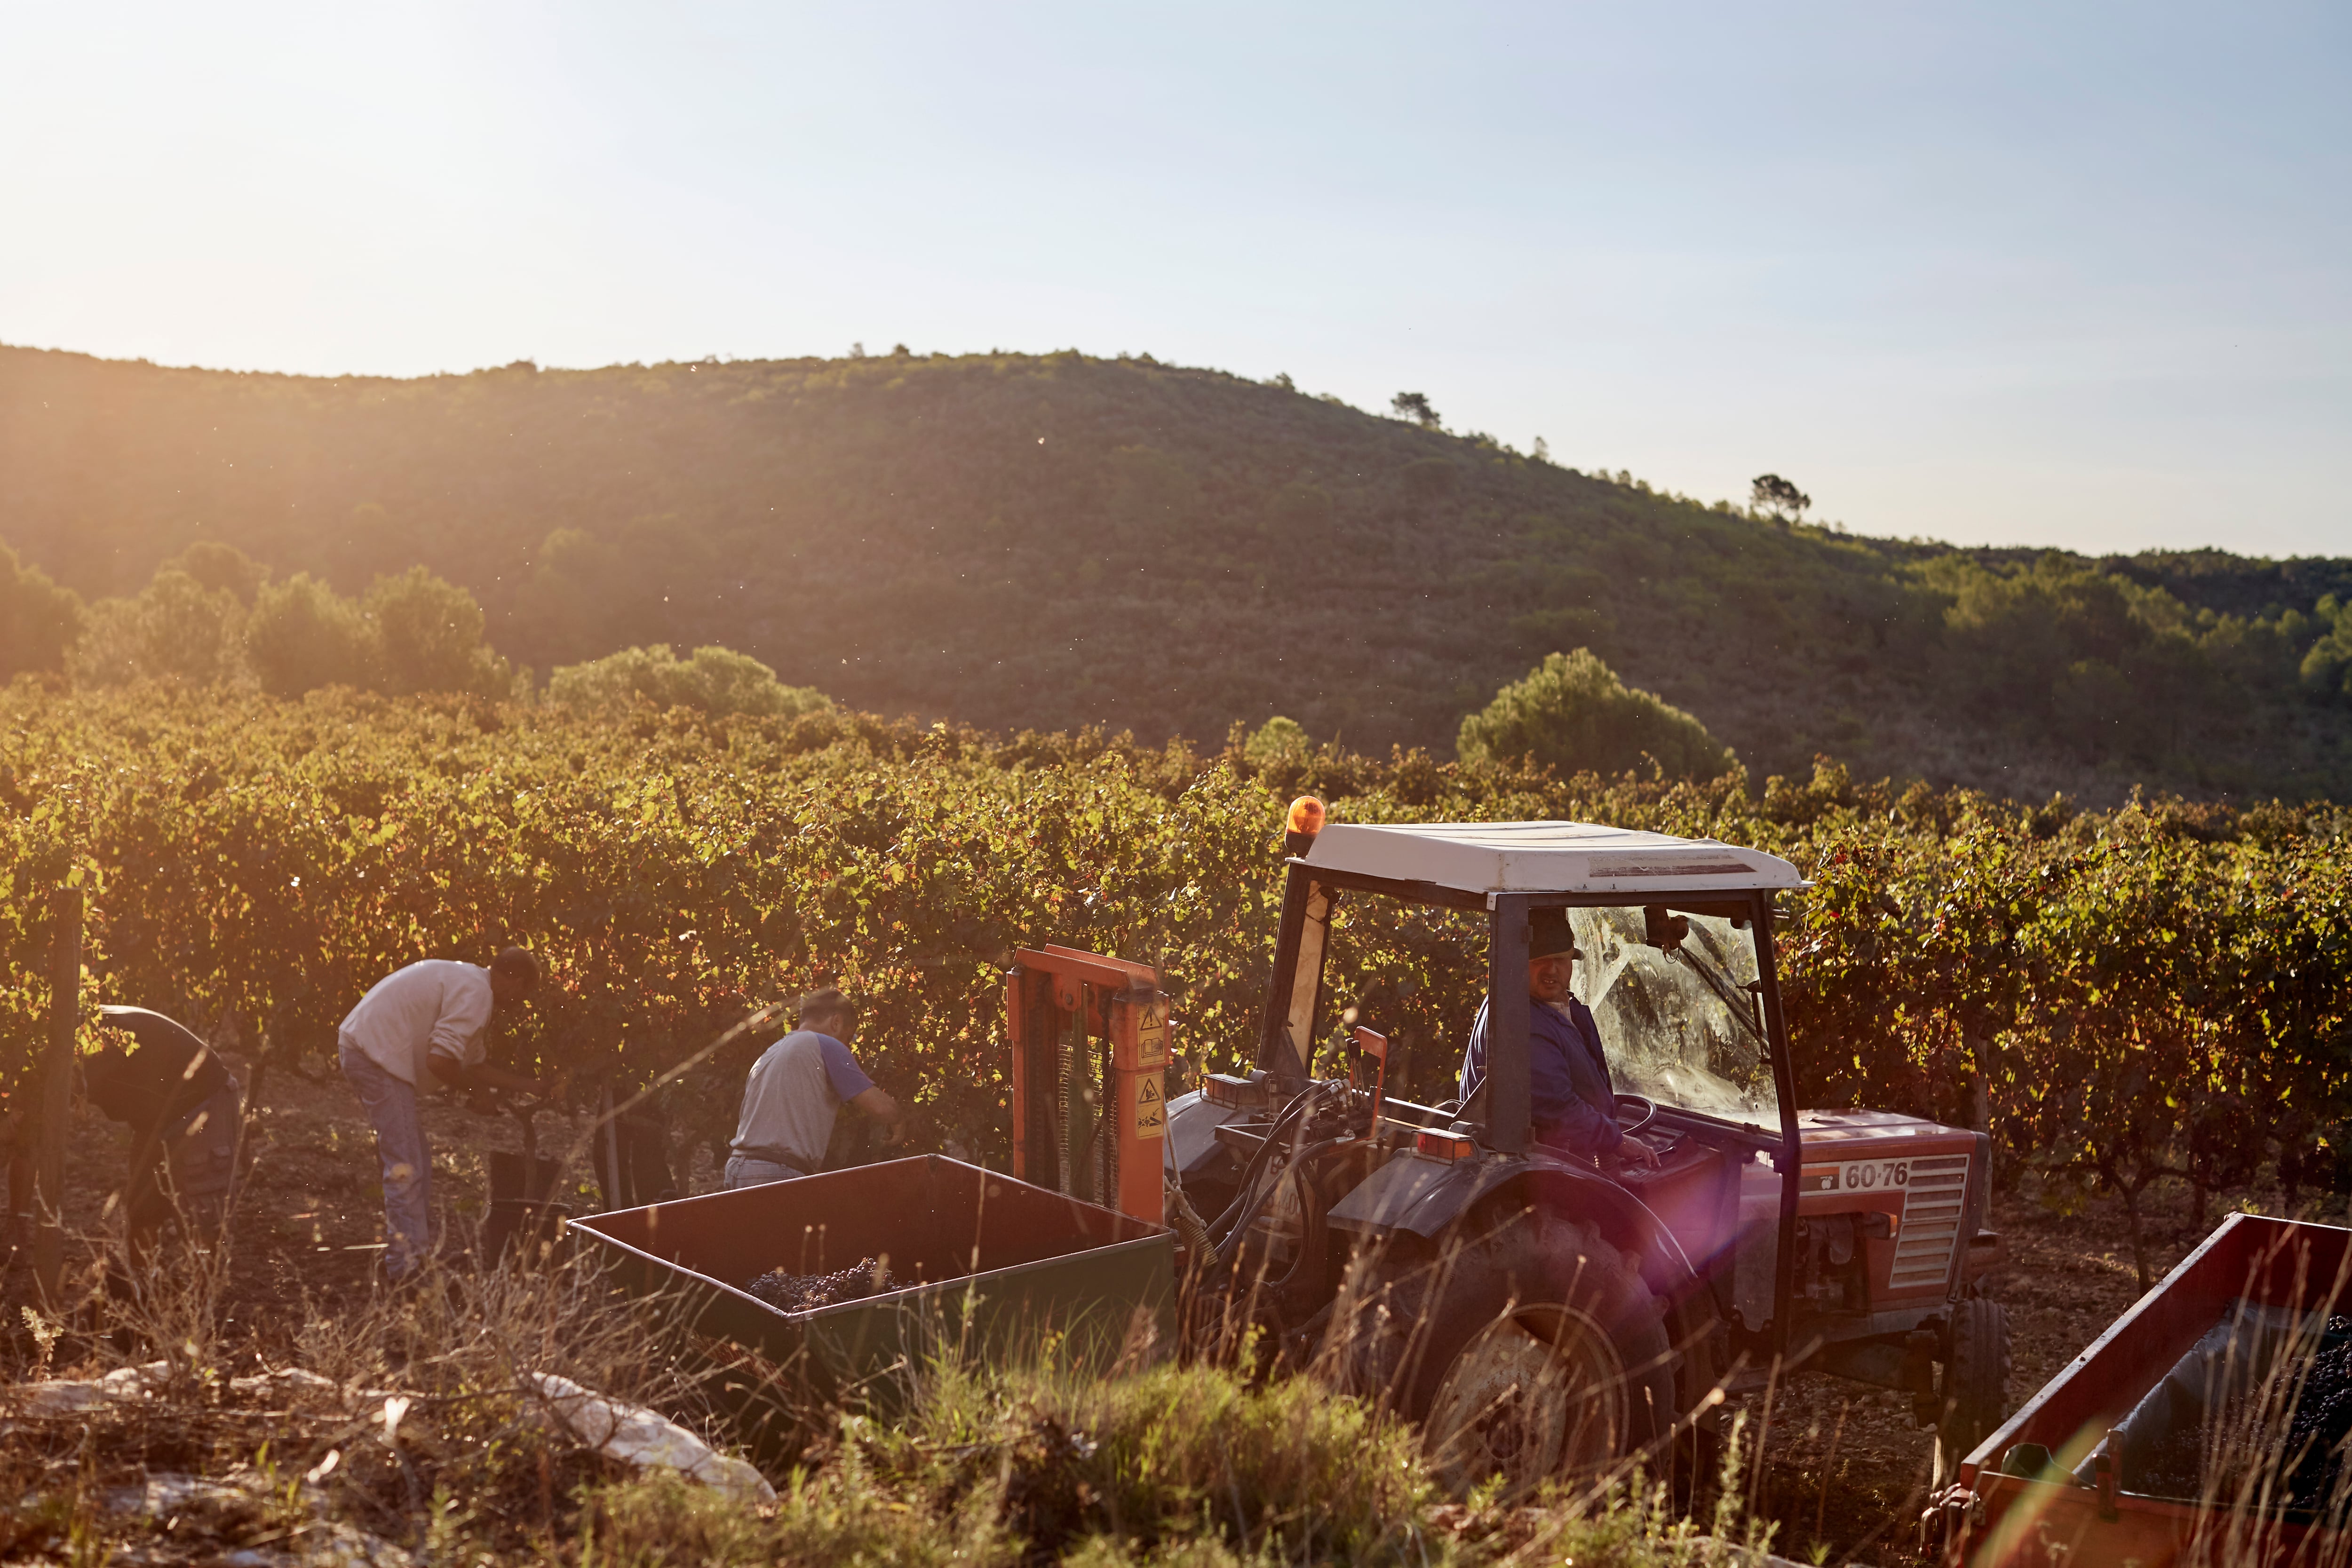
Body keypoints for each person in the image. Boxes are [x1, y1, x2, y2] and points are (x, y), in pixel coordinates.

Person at [339, 949, 552, 1279]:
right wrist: (477, 1093)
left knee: (416, 1158)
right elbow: (440, 1062)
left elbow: (474, 1065)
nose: (520, 1002)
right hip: (374, 1054)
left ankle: (414, 1258)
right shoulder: (477, 992)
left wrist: (533, 1086)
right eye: (524, 994)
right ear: (516, 982)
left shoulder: (471, 983)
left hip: (369, 1046)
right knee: (406, 1164)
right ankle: (405, 1271)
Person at [1458, 908, 1661, 1168]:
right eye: (1539, 961)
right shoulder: (1522, 1019)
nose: (1552, 970)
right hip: (1538, 1166)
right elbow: (1556, 1108)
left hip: (1565, 1155)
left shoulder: (1555, 1005)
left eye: (1561, 960)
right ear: (1517, 962)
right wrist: (1617, 1141)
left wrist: (1608, 1141)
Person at [83, 1005, 244, 1248]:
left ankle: (205, 1273)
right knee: (142, 1210)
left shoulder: (86, 1035)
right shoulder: (75, 1028)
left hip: (202, 1101)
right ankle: (144, 1273)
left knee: (201, 1217)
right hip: (157, 1115)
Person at [724, 987, 901, 1189]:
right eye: (849, 1038)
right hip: (777, 1172)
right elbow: (882, 1109)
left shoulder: (771, 1052)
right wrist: (899, 1120)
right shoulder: (826, 1044)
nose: (848, 1047)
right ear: (836, 1022)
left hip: (738, 1168)